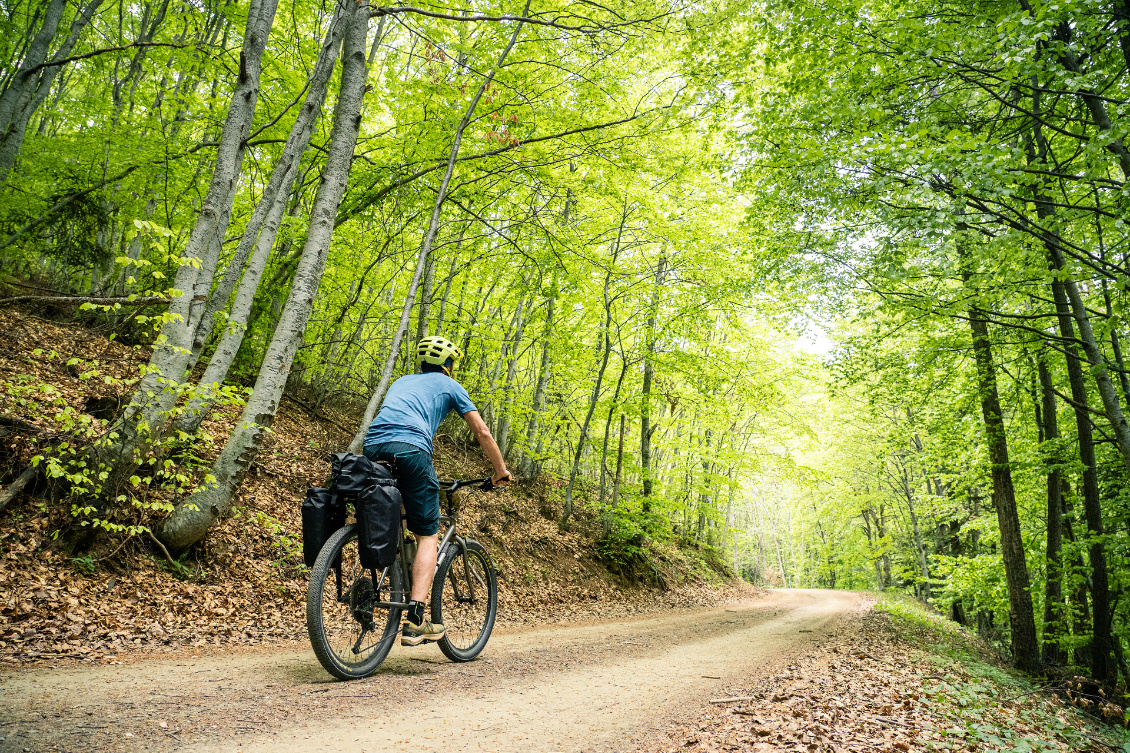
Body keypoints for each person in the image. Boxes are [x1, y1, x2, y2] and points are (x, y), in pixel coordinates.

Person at [362, 335, 511, 646]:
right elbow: (482, 431)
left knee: (399, 514)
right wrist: (500, 471)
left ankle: (393, 577)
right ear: (448, 366)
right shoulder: (451, 386)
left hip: (373, 446)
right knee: (428, 533)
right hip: (413, 448)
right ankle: (416, 619)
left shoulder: (402, 381)